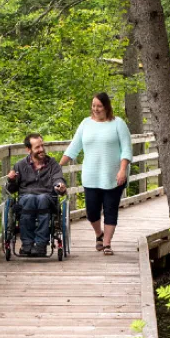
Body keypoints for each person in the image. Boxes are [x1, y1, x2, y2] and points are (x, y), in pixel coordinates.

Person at [60, 92, 132, 256]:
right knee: (92, 211)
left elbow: (127, 149)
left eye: (99, 106)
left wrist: (122, 170)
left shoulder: (118, 124)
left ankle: (107, 243)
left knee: (110, 210)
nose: (96, 109)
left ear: (106, 106)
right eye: (93, 105)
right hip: (91, 176)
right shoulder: (85, 124)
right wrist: (58, 165)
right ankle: (98, 234)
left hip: (113, 176)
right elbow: (74, 147)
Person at [6, 133, 67, 256]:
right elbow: (11, 190)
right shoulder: (20, 165)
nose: (41, 150)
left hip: (47, 196)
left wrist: (60, 185)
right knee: (29, 199)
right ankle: (27, 245)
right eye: (37, 147)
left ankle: (40, 245)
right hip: (26, 197)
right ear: (28, 149)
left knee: (42, 198)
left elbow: (58, 178)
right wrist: (11, 180)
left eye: (42, 146)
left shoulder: (52, 164)